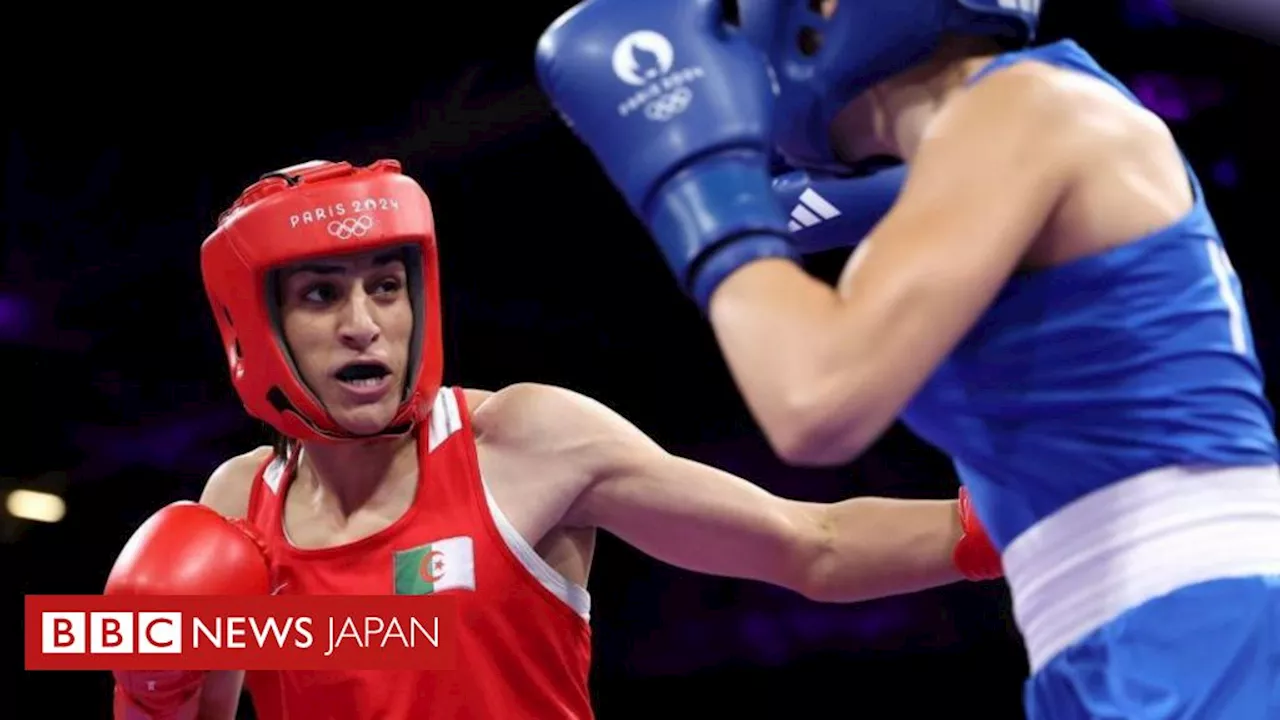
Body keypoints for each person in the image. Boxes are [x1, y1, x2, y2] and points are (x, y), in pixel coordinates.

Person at [535, 1, 1280, 718]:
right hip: (1110, 633)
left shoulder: (1024, 108)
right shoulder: (1007, 133)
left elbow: (813, 399)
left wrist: (694, 179)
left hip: (1204, 611)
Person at [101, 158, 1001, 720]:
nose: (366, 324)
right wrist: (148, 685)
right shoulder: (234, 508)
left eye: (386, 284)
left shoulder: (525, 442)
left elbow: (812, 546)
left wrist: (1019, 524)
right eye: (321, 294)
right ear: (254, 329)